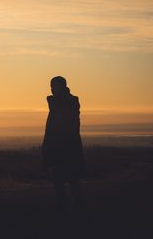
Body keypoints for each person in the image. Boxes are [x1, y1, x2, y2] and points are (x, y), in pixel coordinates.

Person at [42, 76, 85, 212]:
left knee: (72, 182)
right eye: (51, 86)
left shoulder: (70, 102)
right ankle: (65, 211)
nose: (51, 89)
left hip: (67, 149)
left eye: (54, 86)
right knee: (60, 184)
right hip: (60, 149)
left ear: (62, 86)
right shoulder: (61, 103)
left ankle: (74, 212)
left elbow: (68, 128)